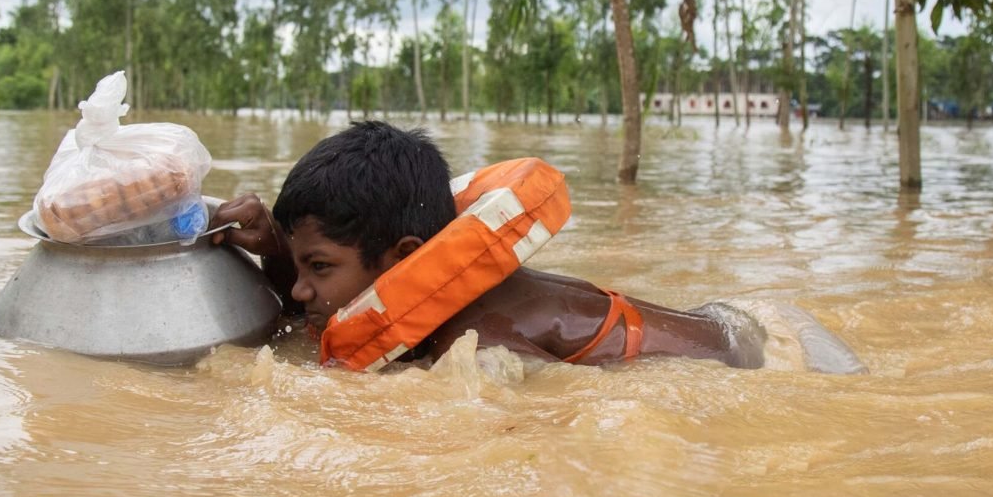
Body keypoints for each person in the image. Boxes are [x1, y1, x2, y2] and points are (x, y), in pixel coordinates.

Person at [210, 121, 863, 373]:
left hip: (778, 351)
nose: (300, 290)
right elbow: (318, 315)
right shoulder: (428, 307)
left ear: (407, 256)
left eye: (317, 268)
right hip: (729, 317)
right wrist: (272, 248)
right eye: (300, 266)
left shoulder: (487, 343)